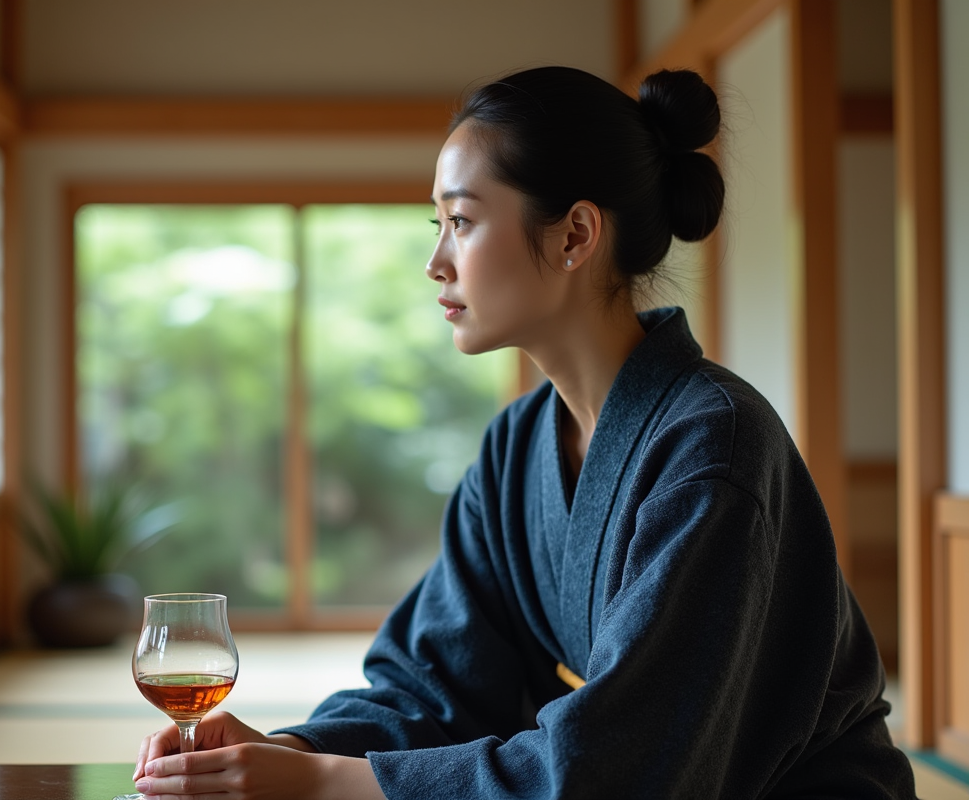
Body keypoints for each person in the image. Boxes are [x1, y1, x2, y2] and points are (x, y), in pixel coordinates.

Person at [127, 66, 918, 799]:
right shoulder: (516, 447)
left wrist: (322, 785)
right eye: (435, 224)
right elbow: (434, 681)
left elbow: (621, 768)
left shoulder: (713, 448)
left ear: (575, 235)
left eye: (462, 221)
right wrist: (295, 748)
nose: (436, 261)